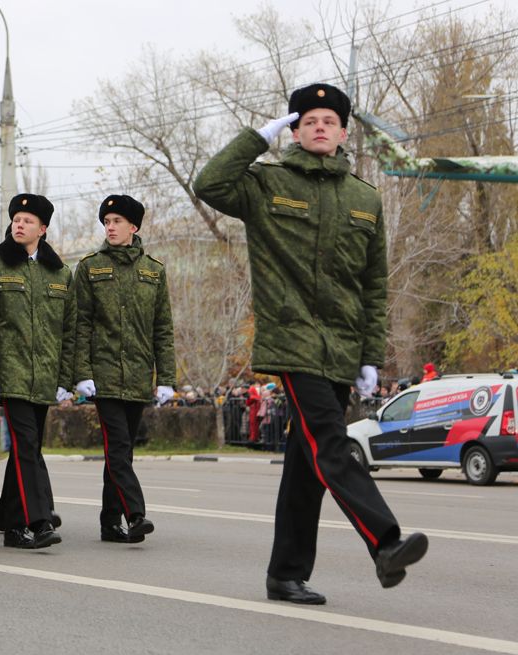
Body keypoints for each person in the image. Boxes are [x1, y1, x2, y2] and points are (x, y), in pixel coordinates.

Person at [194, 82, 427, 605]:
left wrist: (371, 352)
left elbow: (373, 282)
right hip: (293, 339)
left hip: (342, 348)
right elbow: (209, 183)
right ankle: (385, 544)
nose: (320, 127)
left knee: (307, 464)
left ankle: (286, 573)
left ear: (344, 133)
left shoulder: (365, 197)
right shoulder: (265, 182)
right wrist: (257, 138)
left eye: (329, 120)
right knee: (330, 441)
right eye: (309, 120)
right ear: (294, 131)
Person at [72, 194, 175, 543]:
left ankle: (108, 522)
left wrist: (167, 379)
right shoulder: (89, 267)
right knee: (117, 447)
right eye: (106, 221)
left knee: (122, 452)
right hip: (103, 377)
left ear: (134, 227)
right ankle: (136, 514)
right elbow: (80, 325)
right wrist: (81, 372)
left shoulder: (154, 271)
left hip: (138, 376)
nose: (110, 227)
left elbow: (163, 329)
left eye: (116, 221)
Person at [0, 193, 73, 549]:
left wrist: (65, 380)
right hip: (11, 375)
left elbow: (69, 331)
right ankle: (39, 520)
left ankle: (11, 523)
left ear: (43, 229)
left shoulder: (60, 272)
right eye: (16, 218)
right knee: (28, 445)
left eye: (28, 220)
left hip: (45, 377)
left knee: (25, 449)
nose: (19, 224)